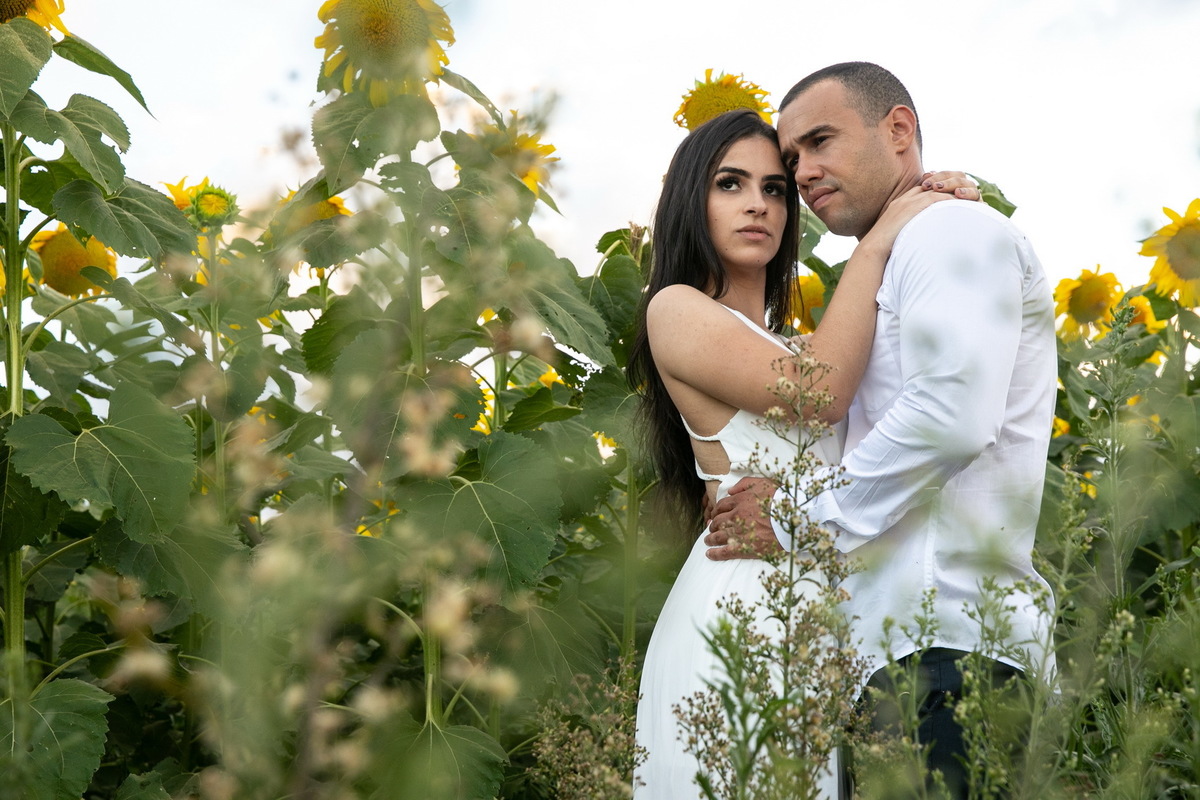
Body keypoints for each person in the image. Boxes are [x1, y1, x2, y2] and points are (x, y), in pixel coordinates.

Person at [705, 62, 1057, 797]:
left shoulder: (947, 231)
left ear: (898, 130)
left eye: (820, 141)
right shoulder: (902, 253)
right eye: (791, 158)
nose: (802, 172)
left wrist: (801, 520)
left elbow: (950, 414)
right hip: (903, 654)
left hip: (947, 645)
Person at [628, 107, 979, 799]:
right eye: (730, 184)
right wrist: (881, 240)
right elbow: (820, 394)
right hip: (740, 606)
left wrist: (929, 211)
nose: (758, 203)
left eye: (776, 188)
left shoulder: (792, 341)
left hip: (819, 615)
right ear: (689, 199)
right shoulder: (674, 308)